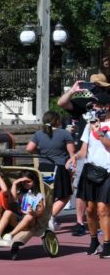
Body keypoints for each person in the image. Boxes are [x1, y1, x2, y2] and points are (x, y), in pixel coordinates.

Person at [58, 74, 108, 237]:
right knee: (81, 189)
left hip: (105, 156)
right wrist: (73, 90)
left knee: (103, 197)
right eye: (93, 85)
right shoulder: (84, 104)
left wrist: (100, 133)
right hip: (85, 152)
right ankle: (80, 222)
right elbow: (62, 103)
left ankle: (103, 222)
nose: (95, 87)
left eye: (99, 85)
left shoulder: (106, 103)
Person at [25, 110, 76, 232]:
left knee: (47, 195)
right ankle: (50, 217)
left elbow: (29, 148)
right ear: (57, 121)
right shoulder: (65, 134)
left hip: (43, 168)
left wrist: (40, 153)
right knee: (65, 195)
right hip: (59, 167)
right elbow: (72, 154)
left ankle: (46, 218)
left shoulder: (38, 134)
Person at [75, 95, 110, 257]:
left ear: (107, 106)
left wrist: (100, 133)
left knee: (103, 208)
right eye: (94, 105)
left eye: (98, 105)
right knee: (90, 209)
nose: (95, 108)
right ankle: (94, 240)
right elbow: (83, 150)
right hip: (91, 171)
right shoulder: (89, 125)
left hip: (108, 172)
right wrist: (73, 158)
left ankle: (108, 245)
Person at [3, 174, 46, 245]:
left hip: (30, 223)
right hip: (18, 220)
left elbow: (41, 212)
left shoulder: (38, 195)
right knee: (7, 212)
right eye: (24, 182)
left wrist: (33, 212)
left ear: (34, 181)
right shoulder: (21, 194)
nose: (26, 184)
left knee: (29, 216)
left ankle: (10, 234)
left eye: (28, 181)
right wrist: (14, 183)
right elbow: (13, 200)